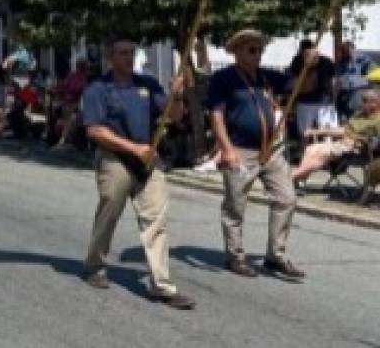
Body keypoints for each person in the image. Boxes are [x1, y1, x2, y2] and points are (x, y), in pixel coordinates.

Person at [78, 38, 195, 309]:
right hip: (114, 158)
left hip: (147, 160)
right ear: (110, 56)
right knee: (110, 212)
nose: (128, 58)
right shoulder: (98, 89)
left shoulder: (148, 85)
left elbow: (174, 116)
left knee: (156, 219)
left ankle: (162, 285)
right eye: (122, 53)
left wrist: (176, 95)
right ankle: (95, 263)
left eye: (132, 53)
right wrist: (133, 148)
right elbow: (94, 130)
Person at [207, 29, 304, 281]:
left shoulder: (267, 78)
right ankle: (235, 256)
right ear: (237, 52)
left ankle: (275, 256)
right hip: (240, 150)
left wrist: (308, 63)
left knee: (286, 198)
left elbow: (300, 83)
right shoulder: (223, 79)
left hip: (270, 150)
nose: (258, 54)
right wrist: (226, 149)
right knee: (235, 206)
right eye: (252, 49)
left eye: (260, 50)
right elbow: (216, 115)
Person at [291, 88, 380, 184]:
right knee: (310, 149)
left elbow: (345, 132)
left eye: (365, 101)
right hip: (341, 143)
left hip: (354, 147)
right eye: (362, 100)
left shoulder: (377, 119)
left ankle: (293, 176)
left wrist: (317, 132)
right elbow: (344, 129)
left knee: (320, 154)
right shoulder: (359, 114)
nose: (361, 103)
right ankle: (299, 178)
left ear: (375, 103)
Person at [288, 39, 337, 134]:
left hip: (323, 102)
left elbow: (333, 81)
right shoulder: (298, 61)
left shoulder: (326, 61)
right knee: (306, 133)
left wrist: (333, 99)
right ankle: (305, 148)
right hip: (305, 102)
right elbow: (294, 81)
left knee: (328, 133)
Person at [52, 57, 92, 151]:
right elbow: (64, 86)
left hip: (76, 104)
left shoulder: (85, 78)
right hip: (67, 102)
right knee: (61, 115)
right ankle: (59, 139)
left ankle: (63, 141)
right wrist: (59, 91)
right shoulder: (72, 75)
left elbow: (81, 90)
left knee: (70, 119)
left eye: (81, 65)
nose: (79, 67)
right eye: (79, 65)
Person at [336, 41, 375, 121]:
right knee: (343, 120)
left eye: (348, 50)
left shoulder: (363, 60)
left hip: (357, 94)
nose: (346, 53)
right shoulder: (341, 63)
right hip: (342, 96)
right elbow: (337, 79)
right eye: (344, 51)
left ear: (353, 49)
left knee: (356, 119)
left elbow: (373, 74)